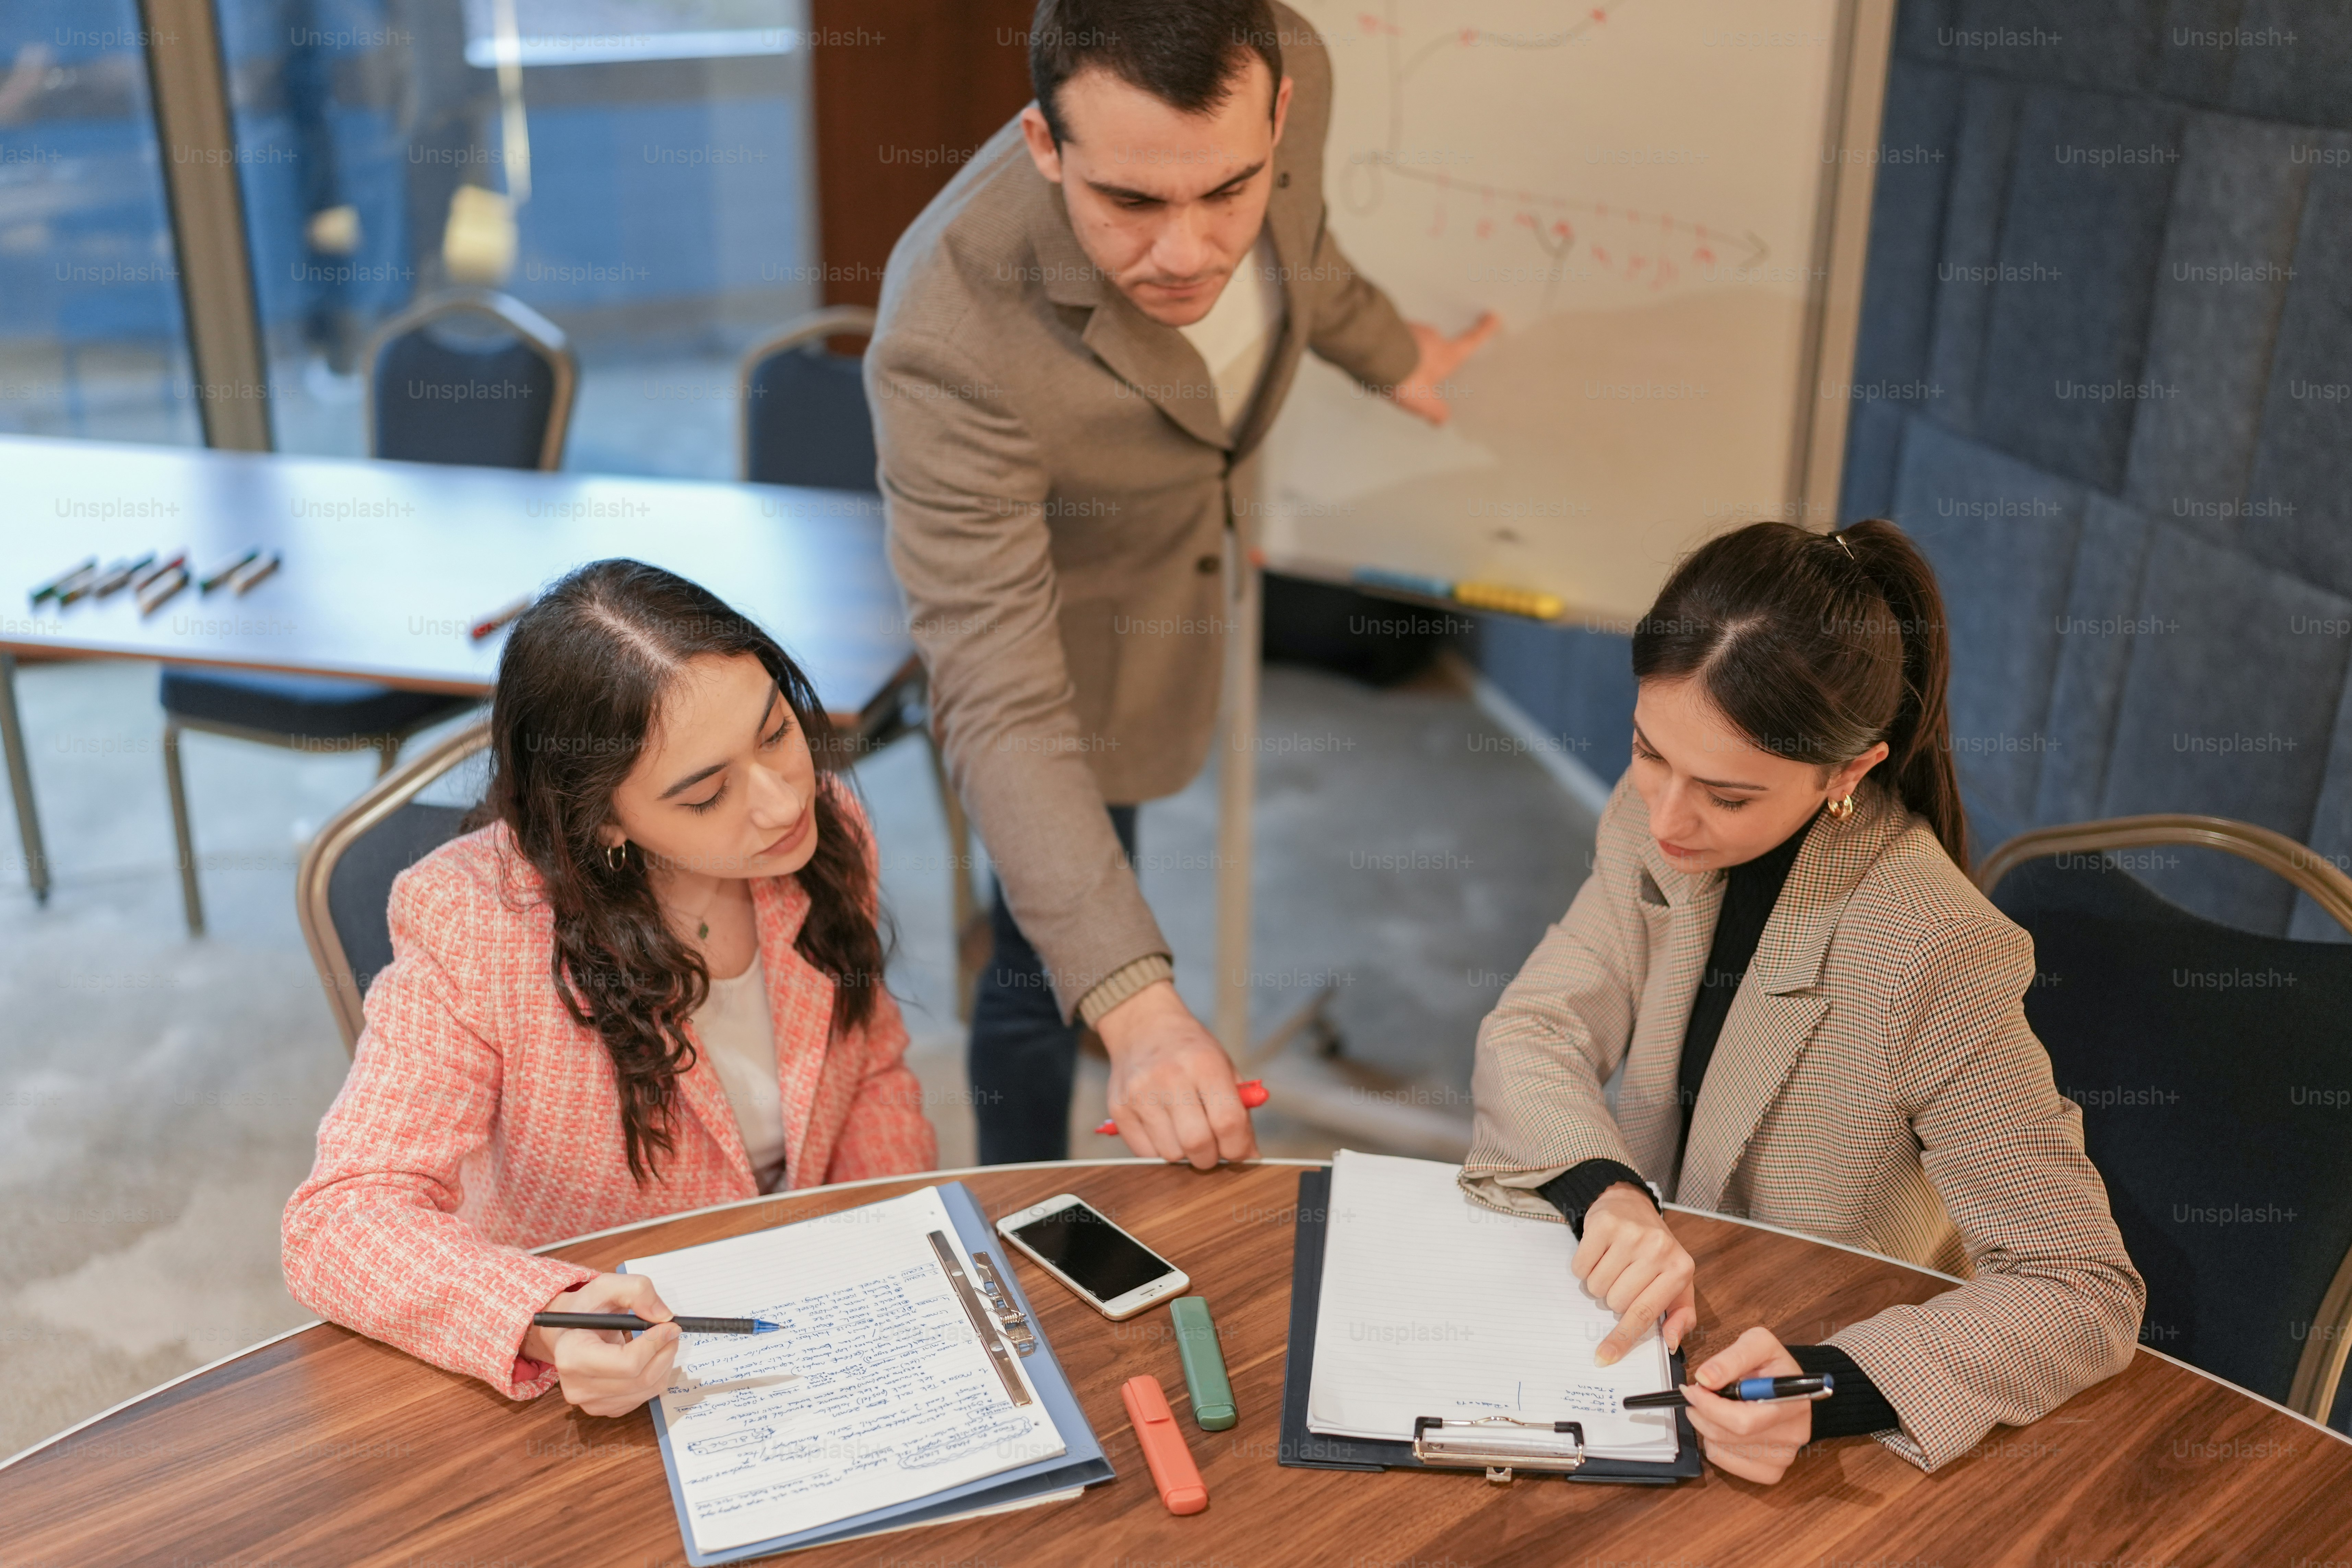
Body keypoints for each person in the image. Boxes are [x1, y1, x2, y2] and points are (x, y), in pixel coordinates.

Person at [868, 0, 1500, 1167]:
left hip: (1190, 555)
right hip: (1070, 643)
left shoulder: (1282, 65)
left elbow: (1300, 244)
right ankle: (1021, 1205)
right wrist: (1143, 1012)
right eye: (1130, 203)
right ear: (1043, 145)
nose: (1189, 252)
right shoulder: (945, 338)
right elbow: (1000, 705)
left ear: (1278, 115)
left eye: (1225, 190)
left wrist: (1397, 358)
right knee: (1040, 953)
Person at [1461, 519, 2145, 1480]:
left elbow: (2081, 1289)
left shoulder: (1934, 947)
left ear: (1850, 771)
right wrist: (1606, 1193)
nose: (1665, 818)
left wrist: (1831, 1387)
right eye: (1647, 751)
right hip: (1653, 1350)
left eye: (1727, 795)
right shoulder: (1651, 815)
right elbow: (1535, 1028)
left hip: (1802, 1390)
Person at [282, 560, 937, 1418]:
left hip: (810, 1310)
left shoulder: (829, 832)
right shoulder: (476, 923)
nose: (784, 803)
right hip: (617, 1364)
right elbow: (341, 1220)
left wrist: (890, 1244)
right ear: (603, 819)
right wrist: (546, 1318)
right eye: (708, 794)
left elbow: (871, 1072)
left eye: (777, 733)